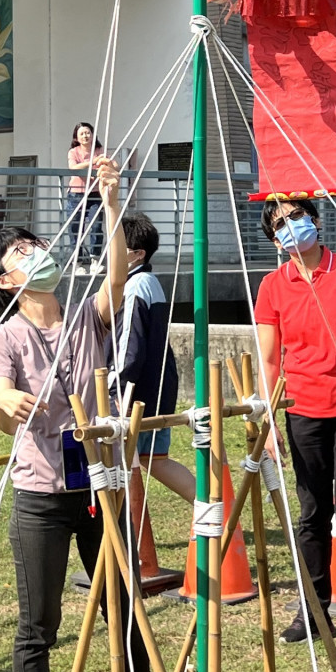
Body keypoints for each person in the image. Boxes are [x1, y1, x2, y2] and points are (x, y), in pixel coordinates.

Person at [0, 156, 155, 672]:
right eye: (22, 253)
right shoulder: (3, 339)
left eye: (35, 244)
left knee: (124, 606)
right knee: (38, 626)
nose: (39, 252)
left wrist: (112, 202)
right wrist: (6, 397)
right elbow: (3, 409)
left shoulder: (84, 314)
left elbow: (118, 279)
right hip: (42, 495)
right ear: (7, 281)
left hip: (100, 488)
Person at [254, 197, 336, 658]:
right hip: (302, 412)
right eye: (281, 223)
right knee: (311, 515)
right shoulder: (273, 285)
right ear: (275, 241)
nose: (292, 226)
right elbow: (270, 359)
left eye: (297, 216)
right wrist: (270, 420)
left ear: (314, 218)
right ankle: (312, 612)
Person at [105, 212, 195, 504]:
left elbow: (129, 346)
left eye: (117, 246)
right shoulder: (149, 281)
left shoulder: (135, 287)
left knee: (123, 462)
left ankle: (128, 538)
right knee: (154, 459)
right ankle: (212, 504)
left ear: (137, 253)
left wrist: (113, 387)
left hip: (135, 393)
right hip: (157, 386)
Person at [66, 121, 104, 274]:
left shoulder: (100, 150)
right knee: (75, 228)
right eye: (82, 133)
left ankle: (95, 260)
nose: (85, 136)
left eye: (87, 132)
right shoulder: (73, 152)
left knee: (96, 225)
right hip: (76, 194)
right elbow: (73, 167)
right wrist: (92, 162)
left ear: (93, 134)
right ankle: (78, 263)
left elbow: (108, 163)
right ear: (76, 136)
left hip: (95, 194)